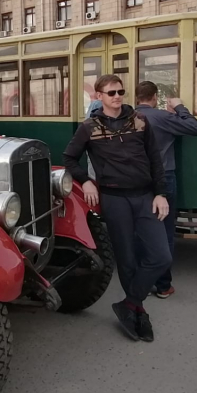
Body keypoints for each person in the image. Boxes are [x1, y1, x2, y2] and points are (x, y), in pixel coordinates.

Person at [63, 74, 171, 342]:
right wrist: (86, 180)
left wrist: (160, 194)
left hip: (145, 196)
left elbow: (156, 160)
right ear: (99, 96)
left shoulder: (140, 122)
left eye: (120, 91)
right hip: (114, 199)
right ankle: (138, 310)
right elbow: (69, 158)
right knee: (126, 259)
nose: (117, 96)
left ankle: (130, 303)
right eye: (111, 92)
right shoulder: (89, 127)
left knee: (161, 256)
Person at [133, 81, 197, 299]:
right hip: (164, 178)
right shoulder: (163, 117)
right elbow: (194, 128)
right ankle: (163, 285)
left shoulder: (127, 118)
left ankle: (139, 280)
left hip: (136, 181)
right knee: (165, 231)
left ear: (136, 98)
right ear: (154, 97)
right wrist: (180, 108)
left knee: (139, 229)